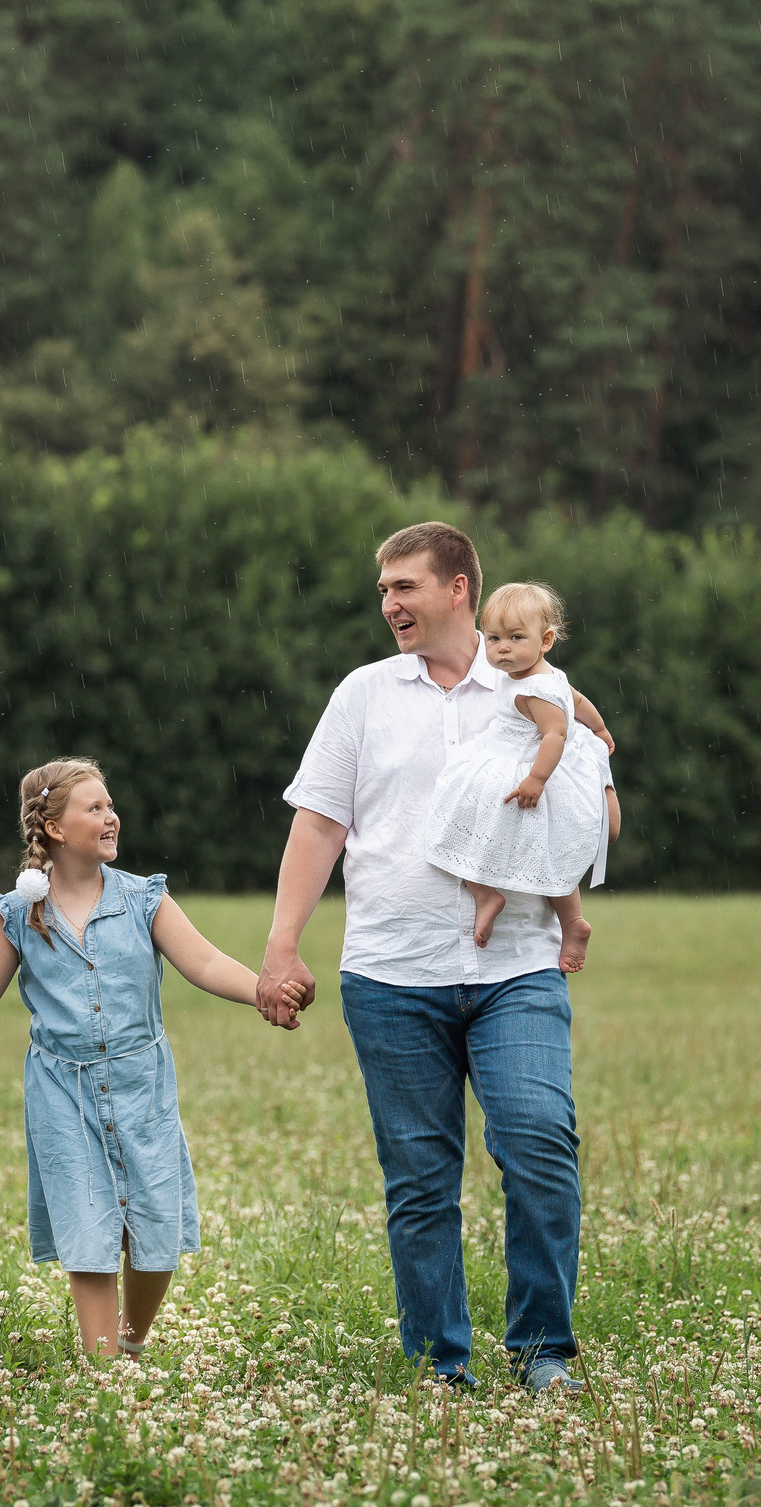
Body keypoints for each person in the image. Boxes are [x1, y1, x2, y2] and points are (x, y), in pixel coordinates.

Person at [257, 522, 615, 1393]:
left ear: (458, 588)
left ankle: (543, 1354)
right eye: (382, 590)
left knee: (537, 1141)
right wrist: (280, 945)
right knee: (419, 1181)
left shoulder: (534, 686)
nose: (389, 605)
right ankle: (438, 1365)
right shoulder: (364, 695)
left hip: (518, 965)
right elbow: (319, 822)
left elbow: (597, 801)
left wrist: (568, 799)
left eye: (404, 587)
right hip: (389, 972)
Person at [0, 759, 287, 1359]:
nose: (112, 817)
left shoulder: (143, 900)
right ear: (54, 829)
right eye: (95, 808)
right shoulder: (18, 913)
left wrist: (260, 991)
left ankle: (132, 1342)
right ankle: (104, 1367)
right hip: (63, 1091)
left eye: (111, 806)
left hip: (142, 1085)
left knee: (155, 1231)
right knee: (87, 1229)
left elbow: (207, 964)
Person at [423, 580, 619, 956]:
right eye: (494, 639)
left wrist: (536, 779)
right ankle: (571, 920)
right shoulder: (548, 676)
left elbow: (554, 736)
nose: (503, 648)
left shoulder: (534, 690)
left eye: (515, 637)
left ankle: (486, 894)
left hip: (525, 764)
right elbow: (577, 701)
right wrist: (599, 726)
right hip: (516, 755)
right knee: (551, 847)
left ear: (545, 640)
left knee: (456, 819)